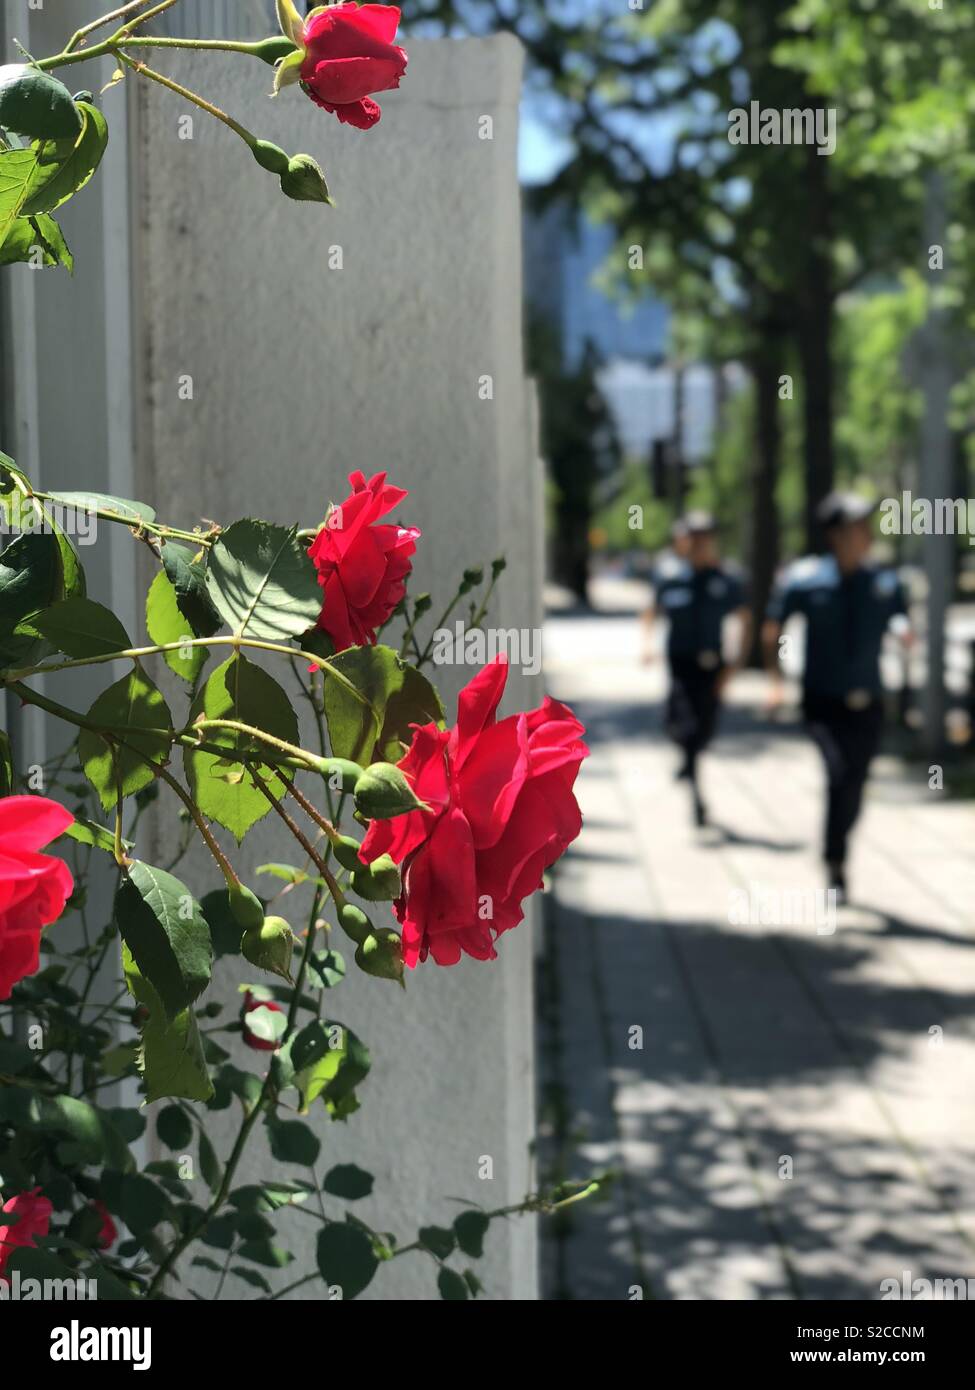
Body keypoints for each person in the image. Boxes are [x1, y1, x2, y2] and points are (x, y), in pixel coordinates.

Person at [763, 492, 912, 903]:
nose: (865, 535)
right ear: (835, 535)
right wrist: (775, 681)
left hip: (869, 703)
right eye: (855, 528)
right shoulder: (807, 579)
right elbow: (774, 626)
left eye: (867, 527)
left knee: (856, 782)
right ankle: (835, 859)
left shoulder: (884, 581)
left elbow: (898, 616)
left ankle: (836, 851)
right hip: (823, 702)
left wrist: (903, 632)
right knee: (839, 774)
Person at [643, 512, 751, 826]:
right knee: (684, 724)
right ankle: (697, 794)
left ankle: (689, 763)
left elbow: (745, 620)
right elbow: (652, 609)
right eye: (694, 536)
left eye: (705, 537)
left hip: (712, 665)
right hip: (680, 663)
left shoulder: (726, 579)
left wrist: (735, 665)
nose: (699, 544)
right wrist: (646, 645)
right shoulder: (671, 576)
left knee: (704, 729)